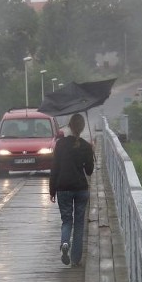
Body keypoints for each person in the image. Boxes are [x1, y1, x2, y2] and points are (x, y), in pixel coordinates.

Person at [49, 113, 94, 267]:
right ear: (81, 128)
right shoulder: (86, 146)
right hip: (81, 188)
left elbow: (55, 168)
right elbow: (89, 171)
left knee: (67, 220)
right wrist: (91, 151)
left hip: (63, 188)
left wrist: (52, 190)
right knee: (79, 223)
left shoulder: (60, 144)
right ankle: (76, 259)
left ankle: (64, 243)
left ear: (69, 126)